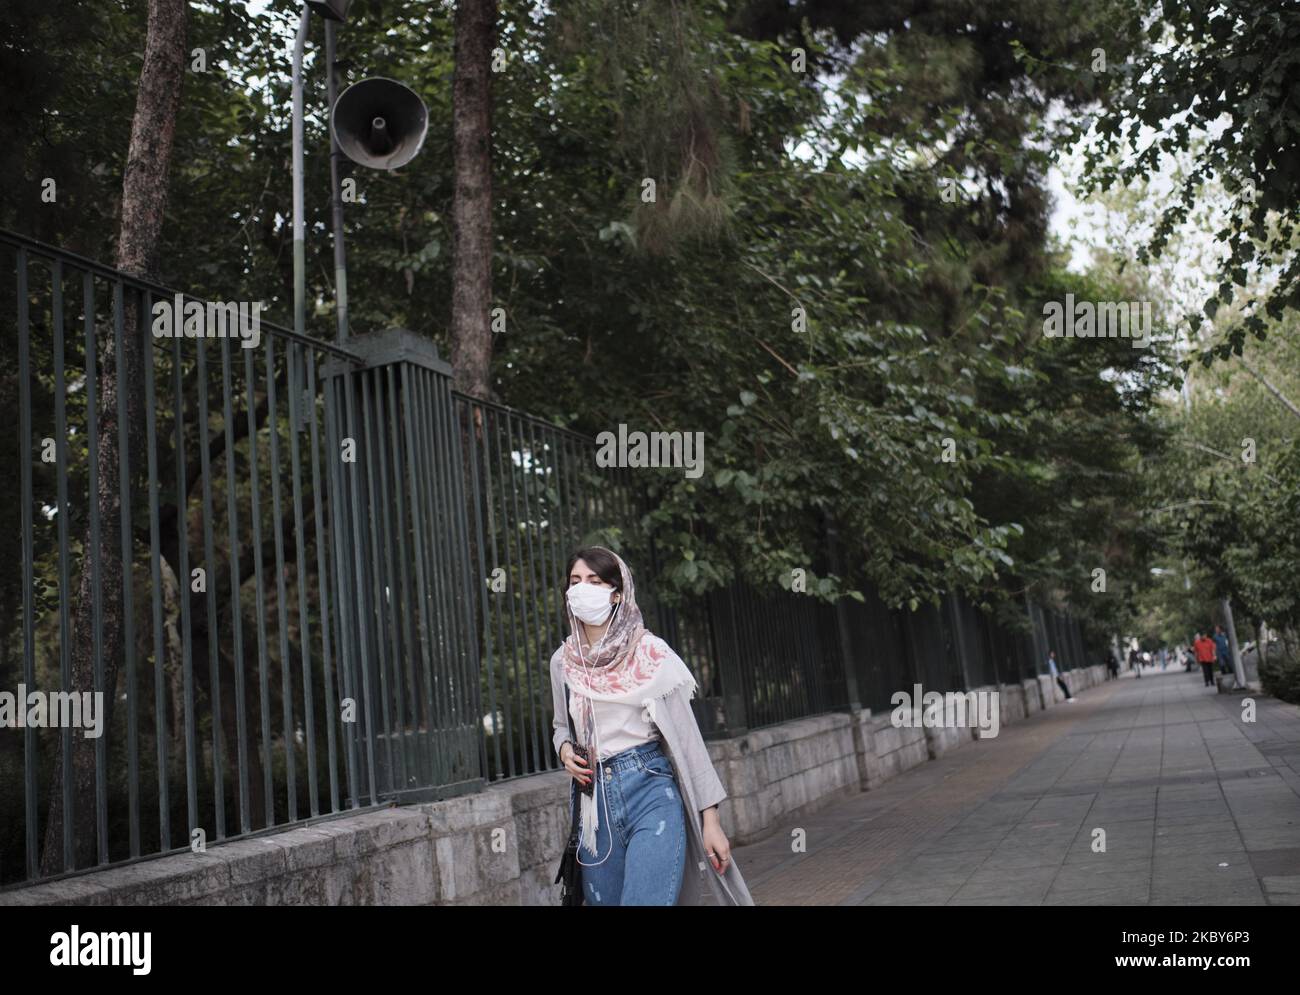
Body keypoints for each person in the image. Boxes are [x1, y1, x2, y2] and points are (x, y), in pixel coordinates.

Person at [550, 545, 754, 906]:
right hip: (594, 805)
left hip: (650, 789)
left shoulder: (651, 653)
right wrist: (564, 749)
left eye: (594, 580)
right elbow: (560, 727)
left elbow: (689, 741)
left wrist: (712, 821)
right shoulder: (563, 661)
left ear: (616, 593)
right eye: (575, 581)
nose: (582, 588)